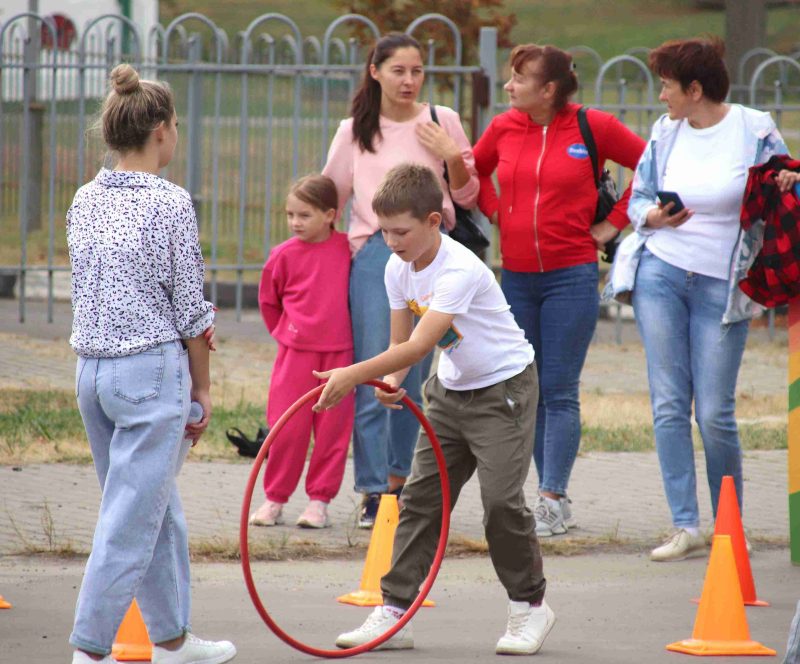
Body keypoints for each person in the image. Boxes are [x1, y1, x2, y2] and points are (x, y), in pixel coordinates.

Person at [313, 163, 554, 656]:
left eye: (400, 231)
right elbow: (399, 343)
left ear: (434, 221)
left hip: (502, 390)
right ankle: (394, 611)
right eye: (383, 230)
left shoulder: (460, 269)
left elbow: (420, 345)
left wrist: (354, 375)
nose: (391, 240)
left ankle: (530, 607)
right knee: (420, 500)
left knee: (501, 503)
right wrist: (391, 382)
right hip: (449, 393)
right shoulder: (394, 267)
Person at [67, 64, 236, 664]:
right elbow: (190, 307)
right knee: (129, 521)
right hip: (149, 373)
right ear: (163, 129)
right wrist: (203, 388)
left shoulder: (86, 197)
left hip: (92, 373)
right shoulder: (170, 201)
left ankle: (172, 640)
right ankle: (89, 649)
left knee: (153, 511)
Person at [605, 37, 798, 562]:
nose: (661, 95)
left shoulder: (753, 128)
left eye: (667, 85)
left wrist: (787, 179)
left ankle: (729, 524)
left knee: (713, 411)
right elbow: (639, 194)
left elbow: (785, 181)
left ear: (695, 89)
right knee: (669, 403)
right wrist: (652, 217)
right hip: (661, 274)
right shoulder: (665, 132)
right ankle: (684, 525)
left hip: (724, 282)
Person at [472, 44, 646, 537]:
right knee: (527, 390)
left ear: (548, 89)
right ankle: (542, 493)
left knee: (560, 389)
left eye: (518, 79)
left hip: (571, 276)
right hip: (517, 280)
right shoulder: (504, 127)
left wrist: (613, 224)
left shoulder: (593, 126)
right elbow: (477, 169)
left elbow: (652, 166)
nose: (508, 87)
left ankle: (552, 498)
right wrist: (496, 212)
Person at [322, 32, 479, 528]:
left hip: (437, 252)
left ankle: (407, 484)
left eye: (417, 71)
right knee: (376, 367)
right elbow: (333, 197)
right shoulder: (355, 131)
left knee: (416, 372)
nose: (409, 81)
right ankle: (373, 490)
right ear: (375, 71)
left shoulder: (442, 121)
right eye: (398, 71)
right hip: (376, 255)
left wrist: (451, 155)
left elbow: (471, 194)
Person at [248, 175, 354, 529]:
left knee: (331, 432)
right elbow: (269, 301)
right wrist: (285, 332)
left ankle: (319, 502)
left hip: (340, 356)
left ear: (330, 214)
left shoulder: (348, 249)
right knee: (287, 429)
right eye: (290, 214)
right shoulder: (282, 255)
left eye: (304, 215)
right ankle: (275, 499)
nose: (295, 222)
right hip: (295, 357)